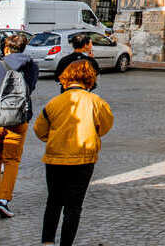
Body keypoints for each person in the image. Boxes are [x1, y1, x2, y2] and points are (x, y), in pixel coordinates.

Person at [34, 59, 114, 246]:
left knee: (53, 201)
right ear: (90, 79)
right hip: (83, 158)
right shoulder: (97, 102)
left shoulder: (54, 102)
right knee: (74, 206)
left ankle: (47, 242)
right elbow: (104, 127)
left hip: (55, 157)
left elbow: (39, 129)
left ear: (66, 78)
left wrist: (55, 138)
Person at [0, 32, 39, 218]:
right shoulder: (31, 66)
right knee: (12, 160)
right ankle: (4, 200)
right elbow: (30, 88)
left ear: (6, 48)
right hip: (19, 118)